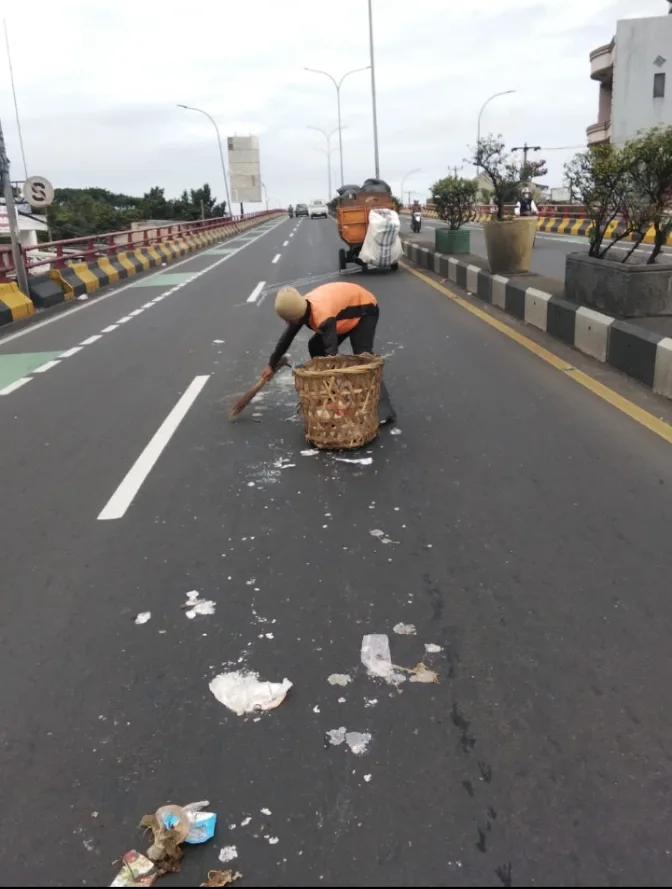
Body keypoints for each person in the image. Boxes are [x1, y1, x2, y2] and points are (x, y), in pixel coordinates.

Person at [262, 283, 396, 425]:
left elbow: (332, 358)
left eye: (288, 320)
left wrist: (335, 392)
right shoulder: (301, 307)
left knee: (364, 359)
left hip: (365, 309)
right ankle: (331, 394)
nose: (287, 322)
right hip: (343, 313)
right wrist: (271, 364)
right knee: (315, 346)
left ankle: (384, 411)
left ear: (295, 317)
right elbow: (286, 339)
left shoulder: (323, 316)